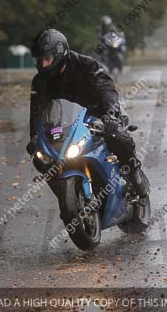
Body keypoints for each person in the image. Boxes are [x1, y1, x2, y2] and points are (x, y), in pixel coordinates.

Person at [26, 29, 150, 198]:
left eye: (47, 59)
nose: (43, 65)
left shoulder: (87, 65)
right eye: (39, 60)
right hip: (68, 124)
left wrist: (111, 115)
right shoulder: (40, 81)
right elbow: (37, 111)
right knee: (40, 157)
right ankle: (64, 192)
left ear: (59, 53)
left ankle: (133, 171)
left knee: (115, 134)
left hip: (100, 113)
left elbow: (106, 89)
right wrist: (35, 136)